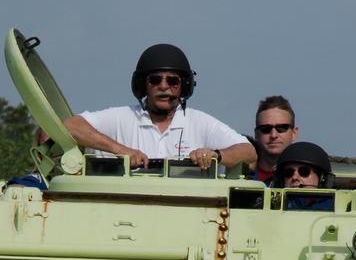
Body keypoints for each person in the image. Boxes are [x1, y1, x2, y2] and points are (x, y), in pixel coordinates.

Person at [62, 44, 255, 171]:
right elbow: (69, 125)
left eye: (172, 81)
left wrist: (216, 155)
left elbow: (249, 152)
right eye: (155, 80)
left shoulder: (199, 122)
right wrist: (120, 149)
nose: (164, 86)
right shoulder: (123, 117)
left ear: (184, 86)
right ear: (142, 85)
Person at [249, 95, 300, 182]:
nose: (273, 135)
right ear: (256, 134)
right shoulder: (240, 176)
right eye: (266, 129)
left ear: (294, 133)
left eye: (281, 128)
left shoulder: (307, 177)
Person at [272, 141, 334, 211]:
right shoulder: (271, 205)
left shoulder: (337, 207)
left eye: (304, 172)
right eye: (288, 172)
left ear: (322, 179)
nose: (294, 177)